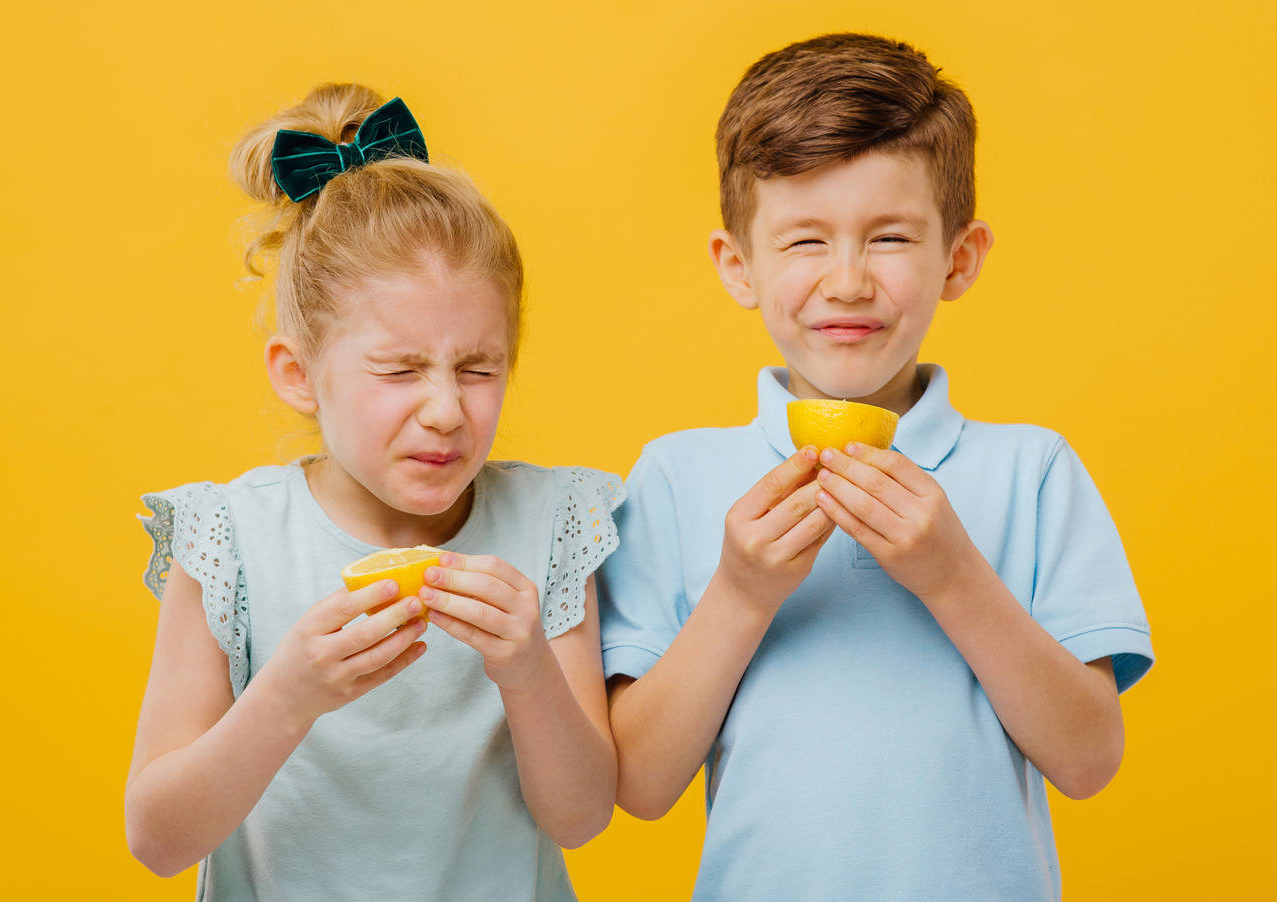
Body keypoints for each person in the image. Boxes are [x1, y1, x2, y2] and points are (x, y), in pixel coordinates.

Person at [598, 34, 1154, 899]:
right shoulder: (672, 478)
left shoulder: (1033, 471)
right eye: (805, 241)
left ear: (959, 259)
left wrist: (953, 575)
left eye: (889, 236)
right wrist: (740, 594)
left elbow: (1088, 759)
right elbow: (637, 784)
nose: (848, 281)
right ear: (737, 266)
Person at [125, 83, 619, 901]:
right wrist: (286, 696)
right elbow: (158, 839)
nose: (446, 410)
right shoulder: (232, 541)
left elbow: (582, 818)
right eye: (399, 370)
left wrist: (530, 671)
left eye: (479, 368)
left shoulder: (551, 524)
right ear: (298, 375)